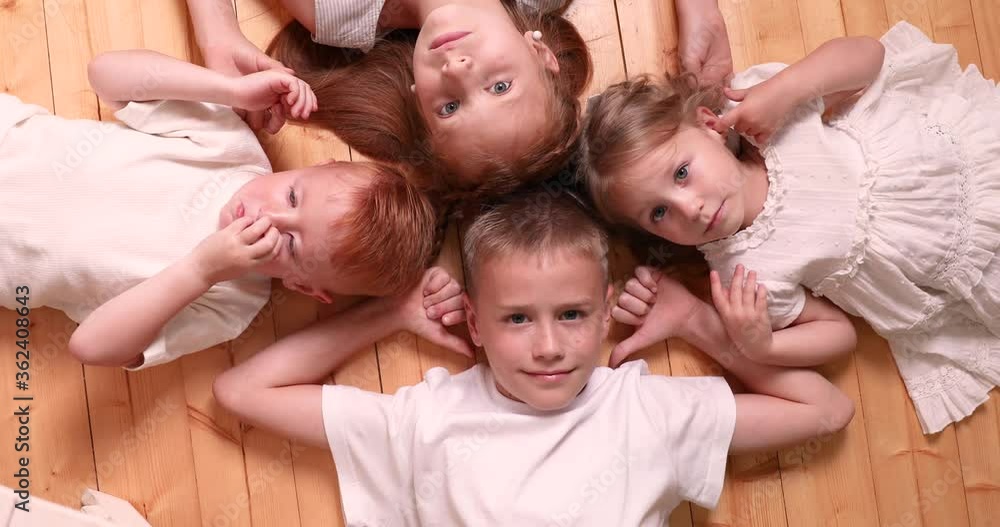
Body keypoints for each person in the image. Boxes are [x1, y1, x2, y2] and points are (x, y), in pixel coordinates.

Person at [212, 190, 854, 524]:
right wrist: (391, 313)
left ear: (605, 313)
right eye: (517, 319)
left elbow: (826, 409)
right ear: (475, 323)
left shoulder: (647, 410)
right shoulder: (426, 421)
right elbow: (242, 392)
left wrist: (694, 322)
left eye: (572, 315)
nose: (548, 347)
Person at [579, 21, 1000, 434]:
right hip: (955, 256)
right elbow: (839, 334)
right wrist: (763, 345)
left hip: (963, 156)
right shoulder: (743, 277)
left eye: (682, 173)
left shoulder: (766, 117)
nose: (689, 208)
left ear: (709, 126)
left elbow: (870, 57)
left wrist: (788, 87)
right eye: (658, 213)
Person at [0, 49, 437, 369]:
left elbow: (91, 347)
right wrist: (230, 89)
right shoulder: (230, 148)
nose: (268, 219)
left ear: (303, 285)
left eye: (290, 244)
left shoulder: (231, 304)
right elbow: (105, 74)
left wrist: (201, 270)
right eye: (292, 197)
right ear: (315, 167)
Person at [188, 0, 732, 196]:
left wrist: (216, 32)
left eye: (448, 107)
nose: (457, 70)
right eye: (500, 87)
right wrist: (700, 9)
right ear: (541, 54)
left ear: (416, 94)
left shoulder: (334, 10)